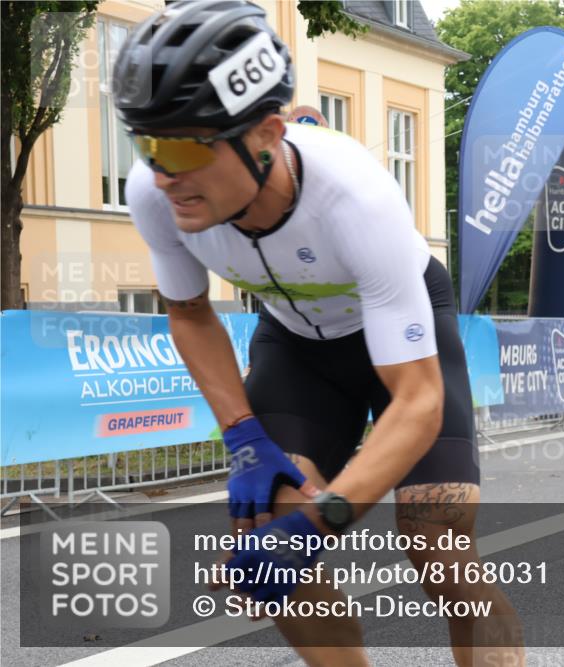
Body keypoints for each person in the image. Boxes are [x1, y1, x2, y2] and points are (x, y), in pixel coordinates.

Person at [113, 2, 522, 665]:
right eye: (147, 145)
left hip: (401, 340)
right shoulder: (155, 193)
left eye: (185, 146)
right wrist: (243, 436)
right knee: (276, 533)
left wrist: (324, 517)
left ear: (267, 134)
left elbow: (416, 400)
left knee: (437, 541)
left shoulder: (356, 199)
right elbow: (189, 312)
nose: (164, 174)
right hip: (297, 343)